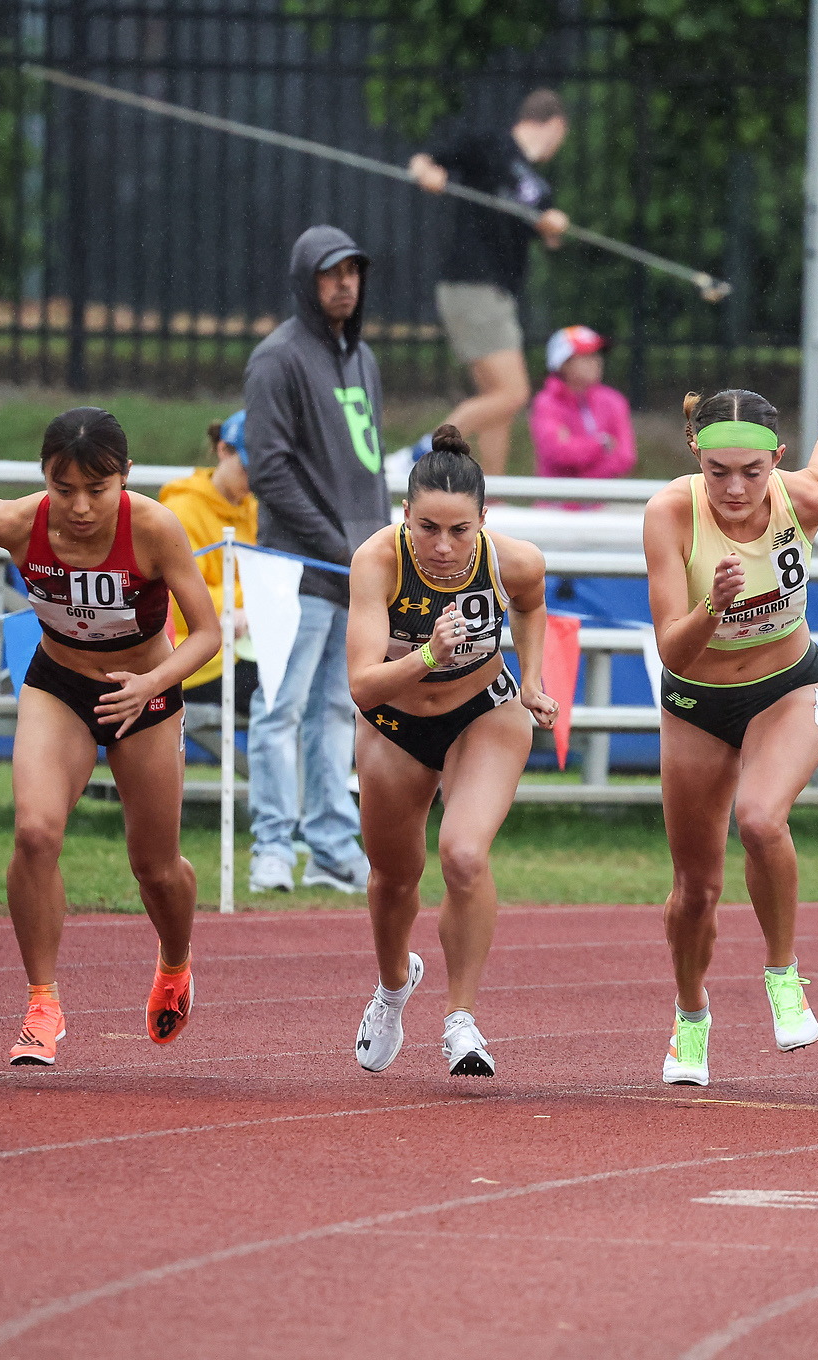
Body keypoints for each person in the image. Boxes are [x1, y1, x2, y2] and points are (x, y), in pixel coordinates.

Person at [0, 408, 221, 1067]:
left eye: (98, 489)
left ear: (126, 478)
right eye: (65, 490)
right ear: (44, 480)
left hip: (143, 692)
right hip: (59, 682)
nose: (81, 507)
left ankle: (175, 963)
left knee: (155, 867)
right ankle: (42, 1002)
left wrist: (153, 683)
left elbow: (207, 633)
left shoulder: (153, 527)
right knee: (34, 833)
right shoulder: (16, 522)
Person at [643, 392, 818, 1086]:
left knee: (759, 817)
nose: (734, 489)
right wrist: (712, 607)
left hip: (790, 685)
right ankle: (691, 1017)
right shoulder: (670, 514)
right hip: (698, 700)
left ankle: (784, 975)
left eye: (752, 473)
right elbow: (672, 653)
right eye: (718, 471)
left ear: (776, 462)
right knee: (694, 890)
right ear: (696, 455)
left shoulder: (806, 497)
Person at [344, 425, 555, 1078]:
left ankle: (460, 1019)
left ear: (483, 522)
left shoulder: (513, 561)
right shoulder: (378, 561)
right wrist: (430, 654)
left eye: (459, 531)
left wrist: (537, 677)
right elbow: (361, 683)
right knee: (393, 877)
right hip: (393, 723)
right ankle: (391, 987)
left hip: (483, 711)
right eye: (428, 527)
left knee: (463, 853)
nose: (442, 546)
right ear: (405, 516)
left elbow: (531, 604)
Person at [242, 226, 390, 894]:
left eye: (353, 272)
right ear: (307, 278)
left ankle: (332, 843)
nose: (345, 284)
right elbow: (268, 471)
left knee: (338, 710)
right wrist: (337, 547)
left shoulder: (363, 360)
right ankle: (272, 844)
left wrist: (380, 552)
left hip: (355, 571)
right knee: (280, 708)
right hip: (294, 567)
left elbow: (370, 471)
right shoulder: (276, 359)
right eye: (331, 273)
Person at [404, 90, 572, 475]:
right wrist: (425, 170)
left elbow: (547, 232)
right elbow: (427, 158)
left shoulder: (538, 188)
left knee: (498, 401)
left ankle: (491, 493)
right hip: (472, 284)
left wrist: (554, 227)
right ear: (555, 126)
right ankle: (418, 458)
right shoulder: (491, 145)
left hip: (497, 294)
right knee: (513, 393)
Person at [159, 410, 259, 717]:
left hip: (242, 650)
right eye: (248, 466)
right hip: (189, 658)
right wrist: (256, 604)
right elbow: (178, 603)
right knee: (282, 692)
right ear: (223, 451)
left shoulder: (256, 508)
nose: (256, 477)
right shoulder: (181, 510)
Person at [528, 324, 636, 497]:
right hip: (557, 502)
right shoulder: (546, 403)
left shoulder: (614, 401)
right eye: (586, 356)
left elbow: (625, 458)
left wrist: (584, 483)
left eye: (596, 355)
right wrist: (601, 445)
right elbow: (557, 453)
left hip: (603, 500)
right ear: (562, 364)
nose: (596, 362)